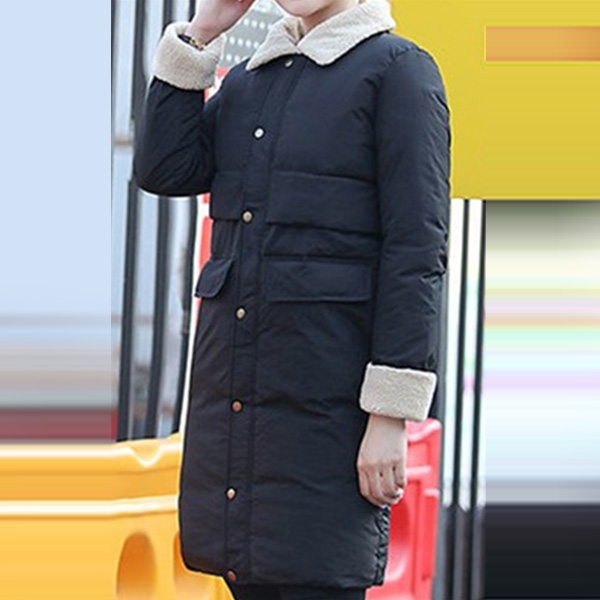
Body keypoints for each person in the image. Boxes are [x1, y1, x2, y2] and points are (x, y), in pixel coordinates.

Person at [133, 0, 451, 597]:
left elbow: (416, 252)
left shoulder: (398, 71)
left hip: (329, 418)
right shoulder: (250, 80)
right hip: (239, 414)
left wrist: (389, 416)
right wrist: (201, 34)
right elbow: (165, 168)